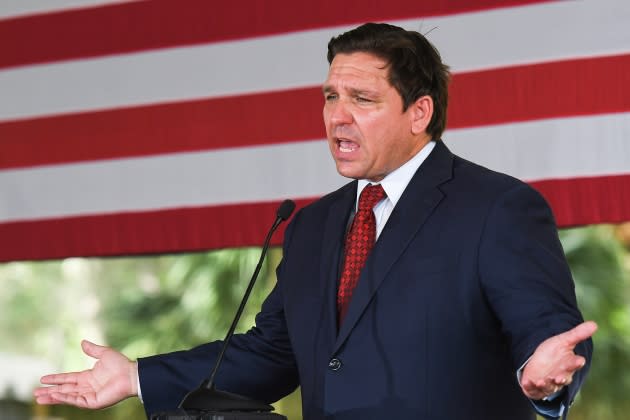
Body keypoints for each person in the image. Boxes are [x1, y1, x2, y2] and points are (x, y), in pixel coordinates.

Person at [34, 23, 596, 420]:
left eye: (362, 98)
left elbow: (550, 335)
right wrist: (134, 377)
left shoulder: (496, 208)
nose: (337, 116)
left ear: (419, 113)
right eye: (330, 96)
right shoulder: (312, 226)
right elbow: (275, 355)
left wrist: (540, 374)